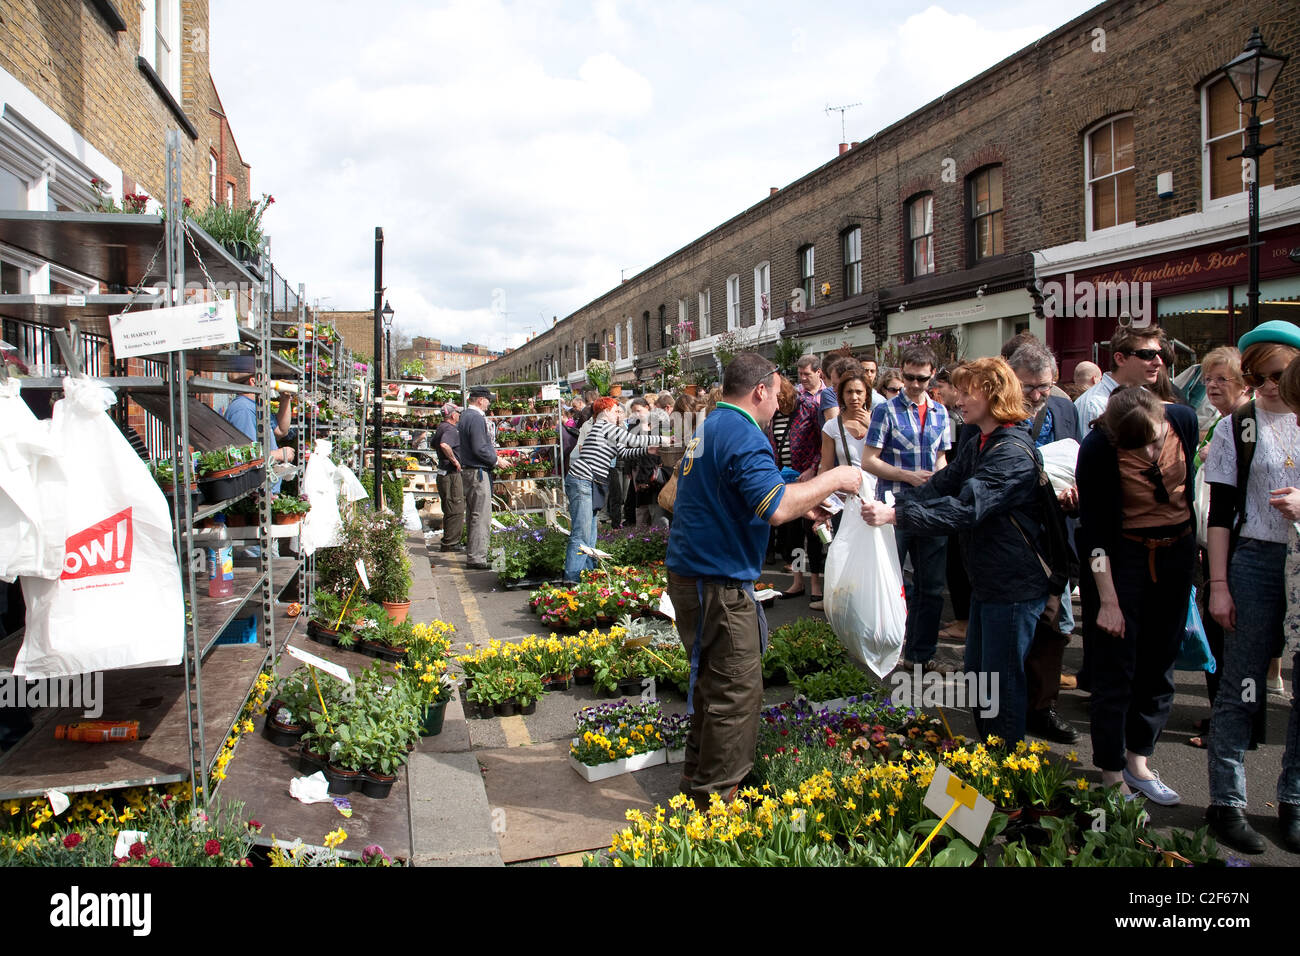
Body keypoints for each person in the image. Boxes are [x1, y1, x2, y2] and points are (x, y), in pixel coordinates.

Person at [666, 353, 862, 806]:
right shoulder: (743, 433)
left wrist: (800, 488)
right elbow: (774, 507)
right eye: (777, 393)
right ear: (760, 390)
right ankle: (715, 806)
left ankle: (696, 788)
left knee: (713, 685)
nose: (780, 403)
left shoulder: (716, 424)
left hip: (695, 577)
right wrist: (835, 478)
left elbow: (747, 488)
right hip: (716, 583)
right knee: (735, 692)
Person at [860, 357, 1049, 743]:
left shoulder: (1010, 452)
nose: (956, 399)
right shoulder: (981, 440)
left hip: (1012, 585)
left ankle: (1005, 772)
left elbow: (965, 509)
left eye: (966, 392)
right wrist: (898, 507)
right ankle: (991, 758)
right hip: (989, 581)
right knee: (981, 676)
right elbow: (944, 482)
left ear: (993, 395)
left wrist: (896, 516)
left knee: (1001, 684)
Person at [1203, 322, 1300, 854]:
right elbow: (1219, 514)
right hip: (1256, 560)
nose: (1265, 384)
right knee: (1242, 684)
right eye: (1255, 375)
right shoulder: (1237, 427)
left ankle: (1295, 800)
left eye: (1277, 374)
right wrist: (1218, 585)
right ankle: (1228, 801)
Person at [1077, 386, 1198, 806]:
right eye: (1136, 446)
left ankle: (1139, 761)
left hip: (1175, 555)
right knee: (1116, 670)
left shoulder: (1184, 420)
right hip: (1122, 560)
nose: (1147, 452)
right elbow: (1093, 537)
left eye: (1152, 439)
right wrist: (1107, 600)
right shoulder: (1096, 450)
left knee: (1160, 663)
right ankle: (1112, 775)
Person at [1007, 342, 1081, 742]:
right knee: (1012, 634)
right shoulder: (992, 416)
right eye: (1029, 387)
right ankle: (1006, 717)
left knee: (1054, 628)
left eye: (1045, 387)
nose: (1037, 395)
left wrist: (1075, 494)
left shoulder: (1065, 409)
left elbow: (1076, 461)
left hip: (1055, 540)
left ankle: (1043, 708)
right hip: (1011, 542)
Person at [862, 344, 951, 670]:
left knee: (932, 587)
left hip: (931, 507)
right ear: (901, 371)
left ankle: (920, 655)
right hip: (895, 503)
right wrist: (907, 476)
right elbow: (868, 460)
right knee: (891, 583)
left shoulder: (941, 413)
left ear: (932, 376)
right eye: (910, 377)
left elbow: (941, 459)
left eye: (922, 379)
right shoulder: (886, 410)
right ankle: (886, 650)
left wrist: (943, 486)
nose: (915, 385)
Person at [1189, 346, 1257, 750]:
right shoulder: (1221, 421)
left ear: (1244, 385)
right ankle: (1223, 714)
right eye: (1208, 379)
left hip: (1235, 545)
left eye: (1221, 380)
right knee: (1219, 639)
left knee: (1230, 641)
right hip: (1212, 540)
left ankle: (1235, 726)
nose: (1212, 386)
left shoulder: (1244, 425)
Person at [565, 397, 666, 582]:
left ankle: (588, 575)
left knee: (591, 533)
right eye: (616, 411)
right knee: (581, 533)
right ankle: (572, 579)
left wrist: (649, 451)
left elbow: (624, 452)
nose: (620, 414)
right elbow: (633, 440)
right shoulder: (604, 425)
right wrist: (664, 439)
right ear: (605, 412)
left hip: (590, 483)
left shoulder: (610, 430)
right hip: (583, 481)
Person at [784, 354, 839, 603]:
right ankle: (798, 579)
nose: (803, 379)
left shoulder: (824, 399)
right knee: (794, 531)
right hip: (791, 472)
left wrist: (814, 468)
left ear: (819, 373)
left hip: (813, 471)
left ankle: (816, 582)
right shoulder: (796, 398)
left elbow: (824, 441)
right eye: (800, 374)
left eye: (807, 374)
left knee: (814, 531)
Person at [1075, 324, 1166, 438]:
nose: (1159, 362)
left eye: (1159, 354)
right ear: (1120, 359)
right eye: (1148, 354)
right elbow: (1090, 454)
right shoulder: (1094, 404)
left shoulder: (1148, 399)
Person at [223, 371, 294, 492]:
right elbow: (246, 455)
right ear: (253, 381)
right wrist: (278, 454)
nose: (270, 383)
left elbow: (281, 430)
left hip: (266, 491)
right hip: (257, 494)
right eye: (267, 379)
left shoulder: (257, 406)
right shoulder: (243, 409)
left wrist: (285, 398)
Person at [457, 386, 498, 570]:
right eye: (488, 400)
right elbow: (480, 448)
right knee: (481, 515)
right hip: (477, 471)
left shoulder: (465, 415)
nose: (489, 404)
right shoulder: (475, 417)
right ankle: (477, 557)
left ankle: (475, 554)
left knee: (474, 513)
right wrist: (496, 460)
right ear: (480, 400)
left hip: (469, 470)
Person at [434, 403, 465, 553]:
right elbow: (444, 445)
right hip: (451, 474)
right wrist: (455, 461)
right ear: (453, 415)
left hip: (443, 473)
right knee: (456, 507)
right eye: (458, 413)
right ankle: (450, 543)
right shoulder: (450, 429)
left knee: (449, 507)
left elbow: (435, 444)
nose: (459, 415)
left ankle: (449, 540)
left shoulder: (441, 427)